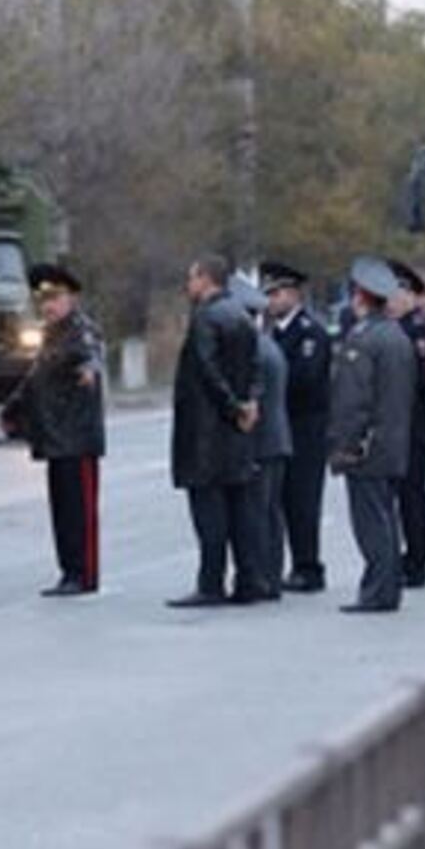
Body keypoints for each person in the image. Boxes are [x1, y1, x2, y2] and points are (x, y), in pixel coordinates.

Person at [0, 263, 107, 598]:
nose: (48, 306)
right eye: (43, 300)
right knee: (62, 510)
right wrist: (14, 407)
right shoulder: (51, 334)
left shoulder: (81, 330)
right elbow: (37, 377)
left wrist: (90, 370)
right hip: (55, 436)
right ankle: (68, 570)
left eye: (55, 298)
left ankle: (84, 572)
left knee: (80, 510)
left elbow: (91, 357)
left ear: (71, 298)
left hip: (77, 435)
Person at [166, 255, 266, 608]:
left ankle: (211, 583)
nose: (188, 286)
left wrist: (232, 406)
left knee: (210, 515)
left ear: (206, 279)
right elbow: (255, 367)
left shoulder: (206, 319)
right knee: (241, 511)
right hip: (237, 433)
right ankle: (249, 579)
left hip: (207, 433)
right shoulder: (241, 316)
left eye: (191, 278)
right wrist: (250, 403)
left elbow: (207, 372)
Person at [330, 257, 416, 615]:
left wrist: (345, 446)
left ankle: (378, 590)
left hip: (368, 447)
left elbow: (354, 399)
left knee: (371, 521)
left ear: (361, 297)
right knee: (386, 517)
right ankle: (387, 585)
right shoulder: (397, 336)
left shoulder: (364, 339)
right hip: (392, 440)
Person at [262, 261, 332, 593]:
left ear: (292, 294)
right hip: (281, 425)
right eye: (269, 294)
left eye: (276, 293)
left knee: (303, 499)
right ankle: (288, 564)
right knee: (281, 499)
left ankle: (309, 566)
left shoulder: (310, 333)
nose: (271, 301)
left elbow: (304, 379)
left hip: (306, 427)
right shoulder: (272, 333)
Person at [233, 277, 291, 597]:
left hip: (261, 441)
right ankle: (270, 575)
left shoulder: (253, 349)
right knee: (269, 512)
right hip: (276, 439)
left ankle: (260, 578)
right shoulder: (269, 344)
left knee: (256, 513)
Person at [387, 260, 425, 589]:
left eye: (395, 292)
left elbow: (417, 382)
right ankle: (404, 557)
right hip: (397, 427)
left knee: (412, 496)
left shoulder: (418, 332)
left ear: (408, 294)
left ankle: (417, 561)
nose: (389, 300)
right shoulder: (396, 330)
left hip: (412, 426)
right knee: (397, 496)